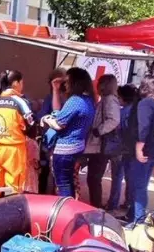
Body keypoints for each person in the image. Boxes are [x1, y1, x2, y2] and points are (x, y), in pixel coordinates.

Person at [41, 68, 96, 198]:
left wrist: (46, 119)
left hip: (65, 150)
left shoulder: (75, 101)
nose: (65, 83)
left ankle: (65, 212)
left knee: (63, 185)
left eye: (67, 80)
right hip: (76, 148)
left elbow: (58, 123)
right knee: (68, 183)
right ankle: (69, 208)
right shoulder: (88, 100)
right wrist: (55, 90)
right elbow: (58, 113)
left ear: (75, 82)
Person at [126, 75, 154, 222]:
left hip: (145, 151)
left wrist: (139, 148)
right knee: (142, 185)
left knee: (139, 186)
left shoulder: (145, 103)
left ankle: (138, 221)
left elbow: (143, 127)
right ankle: (134, 216)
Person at [0, 70, 35, 195]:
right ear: (16, 83)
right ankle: (10, 214)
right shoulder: (20, 102)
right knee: (13, 189)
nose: (22, 86)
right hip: (13, 151)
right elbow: (31, 127)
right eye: (22, 83)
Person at [83, 74, 121, 208]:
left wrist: (99, 130)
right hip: (98, 146)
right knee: (93, 178)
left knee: (94, 178)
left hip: (101, 146)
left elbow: (114, 120)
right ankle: (95, 206)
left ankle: (96, 207)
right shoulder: (105, 99)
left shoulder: (110, 100)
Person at [106, 83, 138, 212]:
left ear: (123, 98)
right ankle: (128, 203)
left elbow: (117, 131)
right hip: (132, 150)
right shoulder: (137, 111)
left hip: (119, 149)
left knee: (117, 178)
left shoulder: (121, 112)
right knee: (130, 179)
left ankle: (112, 204)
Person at [38, 68, 67, 194]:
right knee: (46, 170)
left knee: (51, 171)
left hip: (54, 141)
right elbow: (41, 115)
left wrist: (46, 119)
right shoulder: (50, 98)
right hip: (51, 140)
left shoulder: (68, 99)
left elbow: (43, 116)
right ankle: (45, 194)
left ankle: (45, 195)